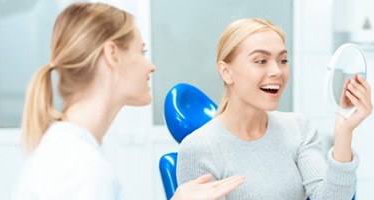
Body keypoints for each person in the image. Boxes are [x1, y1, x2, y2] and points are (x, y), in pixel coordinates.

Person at [12, 3, 244, 200]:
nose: (151, 66)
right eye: (141, 51)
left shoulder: (67, 153)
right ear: (112, 55)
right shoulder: (80, 170)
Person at [176, 18, 373, 199]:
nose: (277, 71)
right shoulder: (199, 149)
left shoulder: (299, 128)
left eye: (283, 60)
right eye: (261, 61)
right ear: (226, 72)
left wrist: (344, 131)